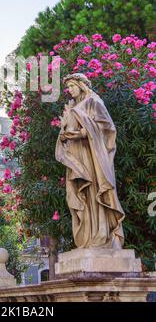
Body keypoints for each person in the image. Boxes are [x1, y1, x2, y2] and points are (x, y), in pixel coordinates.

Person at [55, 73, 125, 249]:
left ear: (81, 84)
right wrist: (64, 136)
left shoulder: (93, 101)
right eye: (68, 87)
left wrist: (84, 133)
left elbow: (107, 127)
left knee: (94, 192)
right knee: (81, 196)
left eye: (72, 86)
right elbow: (67, 129)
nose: (69, 90)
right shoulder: (72, 106)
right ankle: (88, 238)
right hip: (76, 158)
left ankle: (101, 233)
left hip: (92, 157)